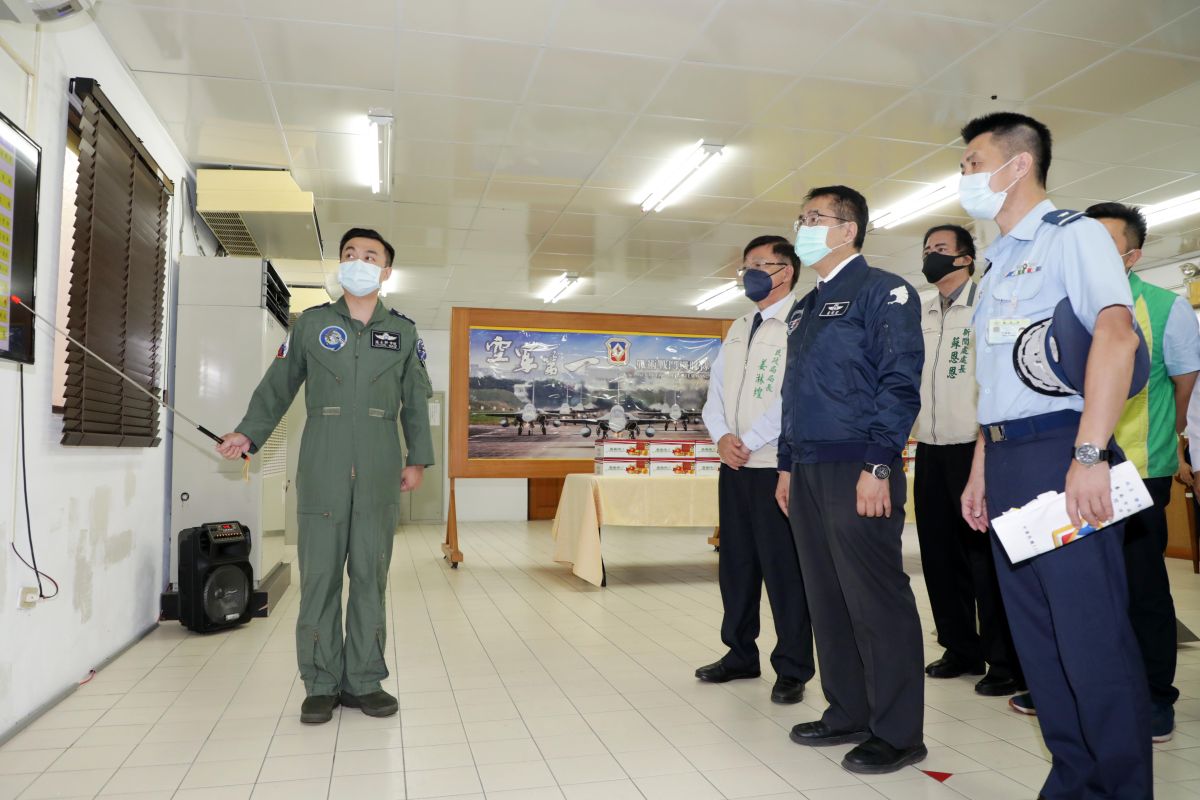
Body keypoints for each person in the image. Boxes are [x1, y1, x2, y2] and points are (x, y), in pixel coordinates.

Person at [958, 112, 1151, 798]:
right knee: (1040, 643)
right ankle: (1074, 779)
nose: (965, 177)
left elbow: (1117, 340)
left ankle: (1122, 787)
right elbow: (999, 380)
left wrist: (1091, 452)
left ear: (1018, 164)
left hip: (1064, 453)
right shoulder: (995, 260)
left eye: (973, 162)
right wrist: (983, 465)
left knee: (1090, 638)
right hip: (1010, 458)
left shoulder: (1074, 238)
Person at [217, 228, 434, 725]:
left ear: (385, 272)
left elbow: (416, 400)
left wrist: (417, 459)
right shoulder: (311, 325)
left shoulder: (402, 332)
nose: (357, 261)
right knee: (318, 578)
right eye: (349, 255)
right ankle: (319, 682)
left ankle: (364, 680)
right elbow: (278, 385)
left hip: (381, 463)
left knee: (370, 577)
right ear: (340, 265)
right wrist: (247, 434)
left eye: (369, 256)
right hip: (322, 460)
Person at [1002, 203, 1199, 740]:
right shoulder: (1055, 301)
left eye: (1103, 243)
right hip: (1061, 468)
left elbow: (1184, 386)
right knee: (1073, 591)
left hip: (1135, 471)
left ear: (1132, 255)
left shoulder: (1163, 308)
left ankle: (1156, 696)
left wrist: (1170, 441)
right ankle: (1068, 690)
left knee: (1140, 587)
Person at [775, 185, 926, 774]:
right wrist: (787, 464)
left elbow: (898, 382)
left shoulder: (883, 291)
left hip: (859, 464)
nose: (804, 227)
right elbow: (796, 393)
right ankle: (847, 712)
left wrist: (880, 463)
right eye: (801, 217)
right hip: (808, 467)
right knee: (827, 597)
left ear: (848, 229)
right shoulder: (806, 305)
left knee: (876, 600)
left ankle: (898, 732)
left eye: (815, 218)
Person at [696, 235, 815, 705]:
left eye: (762, 264)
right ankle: (739, 654)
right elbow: (716, 393)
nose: (751, 272)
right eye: (746, 264)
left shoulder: (802, 323)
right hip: (735, 466)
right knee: (737, 566)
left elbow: (794, 395)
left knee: (784, 570)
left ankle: (792, 667)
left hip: (775, 467)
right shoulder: (740, 325)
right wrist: (722, 437)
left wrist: (751, 440)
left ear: (785, 271)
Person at [913, 224, 1024, 697]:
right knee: (938, 554)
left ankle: (1002, 659)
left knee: (983, 558)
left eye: (940, 249)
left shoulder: (988, 303)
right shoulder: (918, 311)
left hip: (975, 447)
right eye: (926, 249)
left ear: (965, 259)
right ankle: (960, 647)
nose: (930, 256)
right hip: (929, 448)